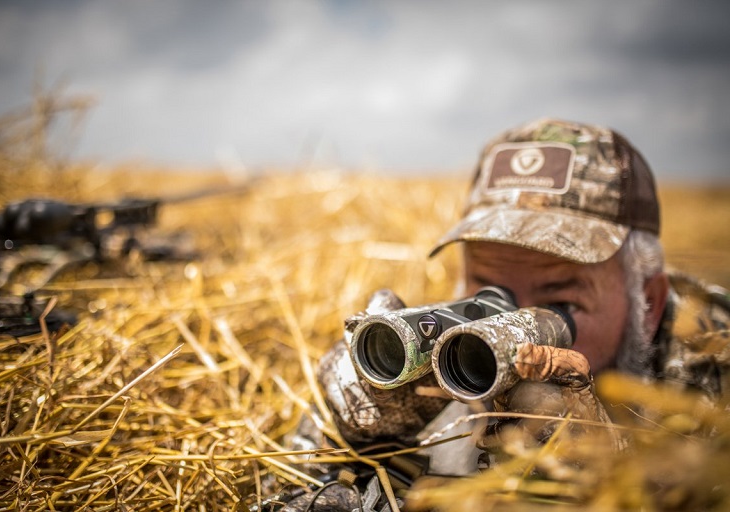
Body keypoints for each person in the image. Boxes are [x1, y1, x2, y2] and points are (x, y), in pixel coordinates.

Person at [280, 118, 730, 511]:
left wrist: (599, 476)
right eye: (487, 291)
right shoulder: (446, 353)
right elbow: (284, 488)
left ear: (646, 304)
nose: (507, 326)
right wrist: (338, 438)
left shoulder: (713, 381)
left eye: (558, 306)